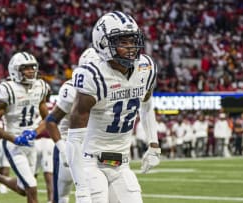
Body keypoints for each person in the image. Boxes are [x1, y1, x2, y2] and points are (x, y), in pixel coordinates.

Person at [65, 11, 161, 202]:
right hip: (91, 162)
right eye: (122, 42)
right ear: (103, 44)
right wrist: (81, 186)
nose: (131, 47)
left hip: (122, 163)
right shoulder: (93, 75)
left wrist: (154, 144)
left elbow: (147, 105)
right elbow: (74, 137)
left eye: (133, 40)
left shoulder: (146, 68)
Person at [0, 51, 49, 203]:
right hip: (12, 143)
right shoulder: (8, 90)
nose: (31, 71)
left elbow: (47, 118)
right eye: (26, 68)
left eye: (33, 67)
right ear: (15, 70)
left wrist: (35, 133)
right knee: (32, 187)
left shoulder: (40, 86)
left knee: (24, 190)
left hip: (30, 142)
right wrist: (15, 139)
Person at [45, 47, 99, 203]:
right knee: (62, 197)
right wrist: (63, 150)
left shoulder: (108, 86)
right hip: (70, 145)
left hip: (92, 148)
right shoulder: (71, 88)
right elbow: (51, 121)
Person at [34, 85, 54, 203]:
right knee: (48, 172)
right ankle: (50, 200)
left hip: (37, 140)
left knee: (33, 173)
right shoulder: (54, 106)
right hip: (48, 140)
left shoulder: (34, 105)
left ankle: (33, 199)